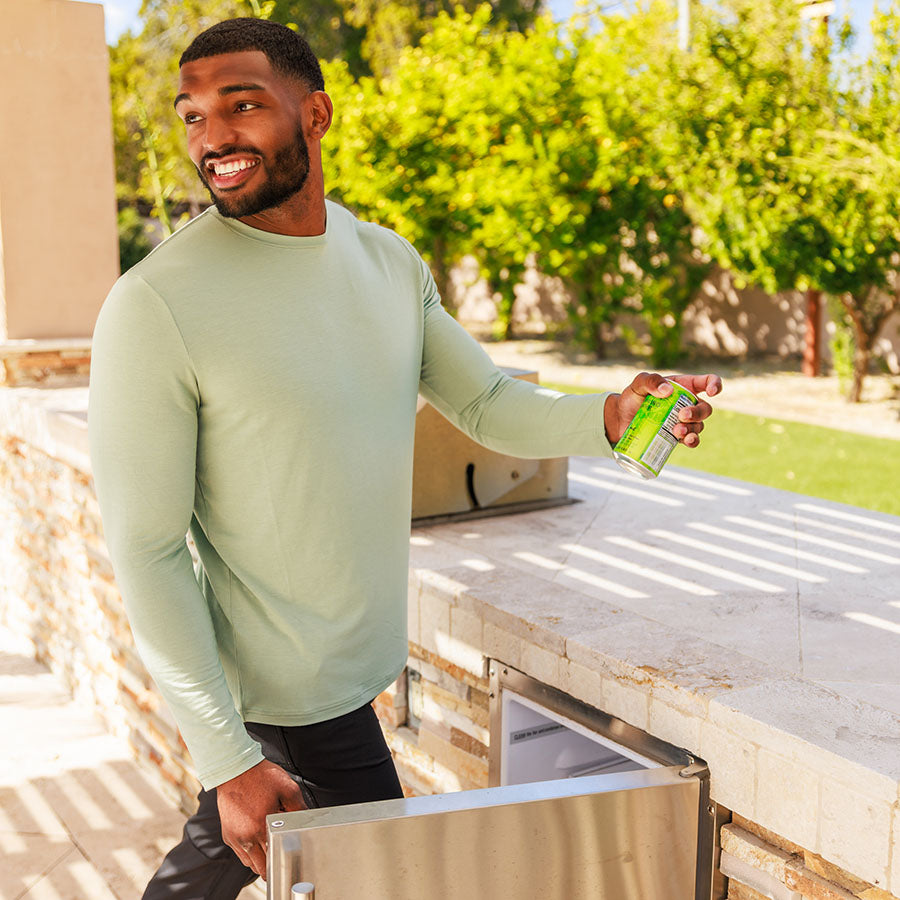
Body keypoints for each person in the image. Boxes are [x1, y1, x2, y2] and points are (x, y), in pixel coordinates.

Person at [89, 17, 721, 899]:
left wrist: (610, 417)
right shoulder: (154, 305)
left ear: (316, 115)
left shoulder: (384, 261)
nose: (214, 138)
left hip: (348, 682)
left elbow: (487, 402)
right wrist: (228, 758)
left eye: (242, 106)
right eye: (193, 115)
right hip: (277, 711)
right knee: (386, 882)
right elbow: (147, 549)